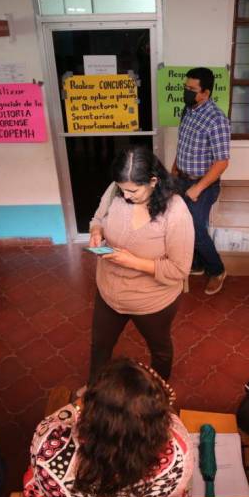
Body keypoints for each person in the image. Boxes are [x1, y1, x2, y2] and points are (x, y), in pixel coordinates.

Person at [24, 358, 194, 497]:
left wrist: (78, 404)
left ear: (91, 411)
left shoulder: (47, 448)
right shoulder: (179, 455)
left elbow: (62, 417)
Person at [87, 147, 193, 381]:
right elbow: (98, 218)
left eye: (133, 191)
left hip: (152, 301)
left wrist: (132, 262)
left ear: (153, 181)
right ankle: (94, 392)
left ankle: (159, 395)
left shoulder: (175, 210)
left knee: (160, 351)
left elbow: (179, 269)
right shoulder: (117, 189)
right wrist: (96, 231)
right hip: (109, 292)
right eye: (122, 189)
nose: (125, 195)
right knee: (100, 346)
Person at [171, 67, 230, 295]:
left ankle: (217, 270)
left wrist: (197, 188)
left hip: (203, 185)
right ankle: (196, 264)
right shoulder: (188, 110)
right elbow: (183, 144)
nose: (186, 92)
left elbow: (222, 162)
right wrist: (174, 170)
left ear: (205, 93)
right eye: (185, 87)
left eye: (191, 90)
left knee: (195, 228)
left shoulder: (217, 120)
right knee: (178, 224)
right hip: (181, 179)